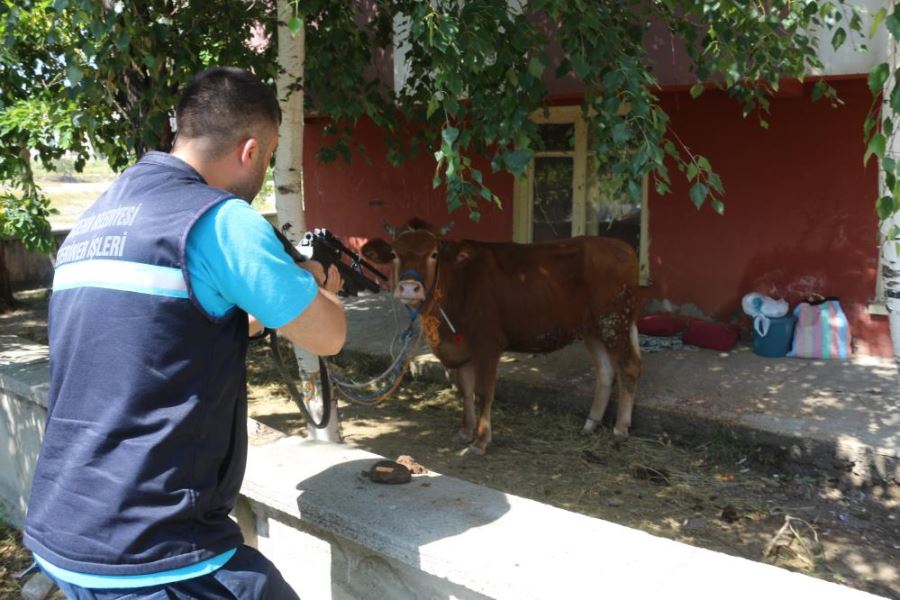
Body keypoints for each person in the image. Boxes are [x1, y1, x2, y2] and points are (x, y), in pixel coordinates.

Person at [23, 67, 346, 599]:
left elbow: (170, 331)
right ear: (250, 151)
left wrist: (272, 301)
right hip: (155, 550)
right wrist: (314, 282)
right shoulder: (221, 221)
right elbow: (328, 335)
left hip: (66, 532)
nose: (263, 171)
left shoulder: (100, 217)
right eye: (267, 158)